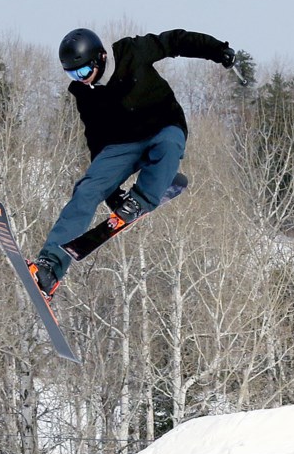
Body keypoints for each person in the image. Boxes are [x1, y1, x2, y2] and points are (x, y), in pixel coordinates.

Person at [28, 27, 236, 299]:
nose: (80, 79)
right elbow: (95, 137)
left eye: (81, 72)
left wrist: (217, 50)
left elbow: (175, 41)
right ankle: (49, 269)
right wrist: (111, 193)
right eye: (71, 74)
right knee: (87, 190)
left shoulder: (131, 51)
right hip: (122, 143)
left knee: (169, 146)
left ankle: (144, 197)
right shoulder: (84, 93)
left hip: (163, 126)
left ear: (100, 58)